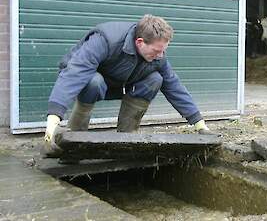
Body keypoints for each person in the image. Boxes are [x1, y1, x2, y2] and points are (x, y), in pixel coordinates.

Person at [43, 14, 213, 156]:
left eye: (163, 50)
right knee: (94, 82)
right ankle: (75, 140)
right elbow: (74, 73)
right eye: (156, 51)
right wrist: (52, 123)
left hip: (123, 82)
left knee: (155, 79)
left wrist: (200, 124)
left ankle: (127, 139)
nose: (160, 55)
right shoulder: (105, 39)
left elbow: (174, 87)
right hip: (88, 80)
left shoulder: (158, 57)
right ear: (140, 42)